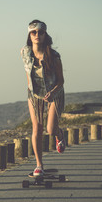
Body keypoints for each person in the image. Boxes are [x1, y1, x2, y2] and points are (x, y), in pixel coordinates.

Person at [20, 19, 66, 176]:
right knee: (36, 128)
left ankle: (59, 135)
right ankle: (39, 165)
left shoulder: (54, 56)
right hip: (34, 95)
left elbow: (61, 81)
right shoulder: (25, 52)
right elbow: (27, 74)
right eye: (33, 32)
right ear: (29, 35)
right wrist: (31, 93)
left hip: (54, 94)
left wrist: (53, 92)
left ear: (45, 34)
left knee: (50, 128)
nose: (37, 35)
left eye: (40, 32)